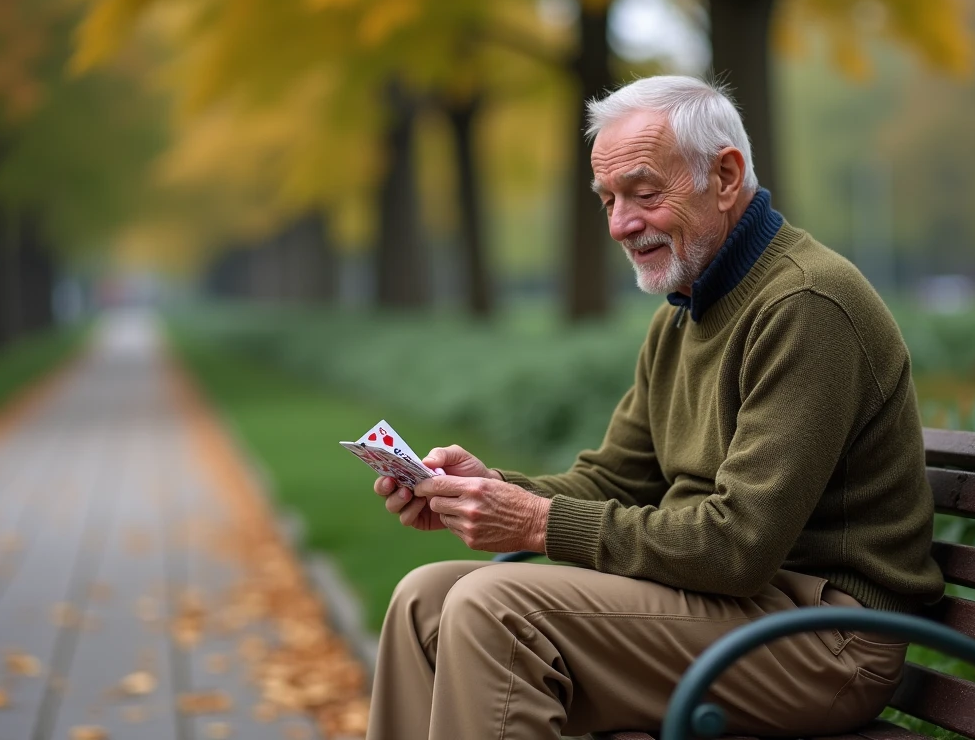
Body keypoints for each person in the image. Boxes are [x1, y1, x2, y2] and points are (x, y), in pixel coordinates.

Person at [366, 75, 943, 740]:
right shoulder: (683, 316)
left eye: (644, 194)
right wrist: (489, 490)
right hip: (728, 610)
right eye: (608, 199)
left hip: (824, 638)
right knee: (423, 600)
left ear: (725, 177)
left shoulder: (806, 305)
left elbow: (738, 547)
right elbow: (613, 479)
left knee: (493, 607)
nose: (621, 224)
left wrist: (535, 523)